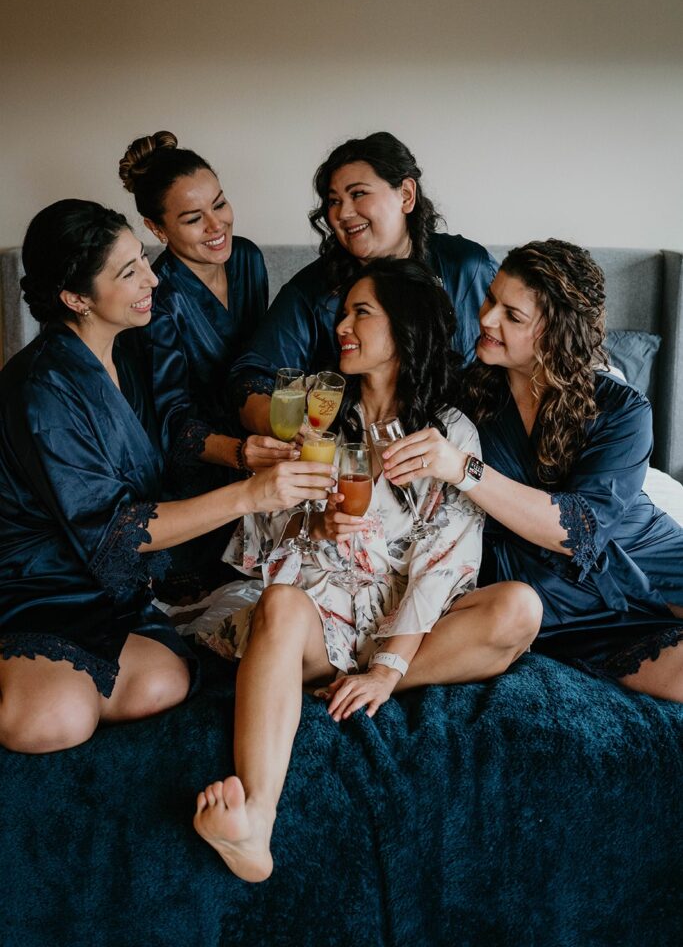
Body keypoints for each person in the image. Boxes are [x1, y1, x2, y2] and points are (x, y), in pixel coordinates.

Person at [193, 260, 542, 881]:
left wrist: (387, 668)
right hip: (313, 610)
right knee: (278, 603)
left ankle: (372, 683)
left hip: (403, 624)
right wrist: (315, 524)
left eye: (361, 312)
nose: (341, 325)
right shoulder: (316, 413)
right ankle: (257, 823)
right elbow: (264, 532)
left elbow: (447, 557)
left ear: (404, 328)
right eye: (342, 311)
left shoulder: (448, 431)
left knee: (518, 607)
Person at [0, 200, 335, 755]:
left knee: (165, 682)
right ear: (76, 298)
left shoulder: (129, 349)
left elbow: (175, 436)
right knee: (54, 722)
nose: (153, 279)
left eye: (143, 260)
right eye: (129, 272)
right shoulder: (42, 390)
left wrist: (246, 453)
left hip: (115, 590)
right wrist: (250, 494)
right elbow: (115, 531)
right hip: (40, 582)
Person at [381, 239, 683, 700]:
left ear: (557, 334)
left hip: (647, 554)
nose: (485, 319)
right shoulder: (466, 398)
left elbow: (579, 529)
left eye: (512, 316)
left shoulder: (622, 410)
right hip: (552, 591)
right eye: (490, 299)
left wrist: (466, 469)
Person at [120, 131, 296, 598]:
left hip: (264, 448)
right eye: (194, 218)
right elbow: (172, 423)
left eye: (220, 204)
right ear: (157, 229)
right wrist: (242, 453)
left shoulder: (250, 260)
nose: (217, 226)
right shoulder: (158, 303)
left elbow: (263, 359)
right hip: (199, 475)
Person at [230, 131, 498, 436]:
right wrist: (288, 428)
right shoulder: (311, 291)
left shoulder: (467, 268)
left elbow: (512, 359)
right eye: (334, 201)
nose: (342, 214)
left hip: (466, 450)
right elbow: (251, 375)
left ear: (406, 195)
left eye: (358, 194)